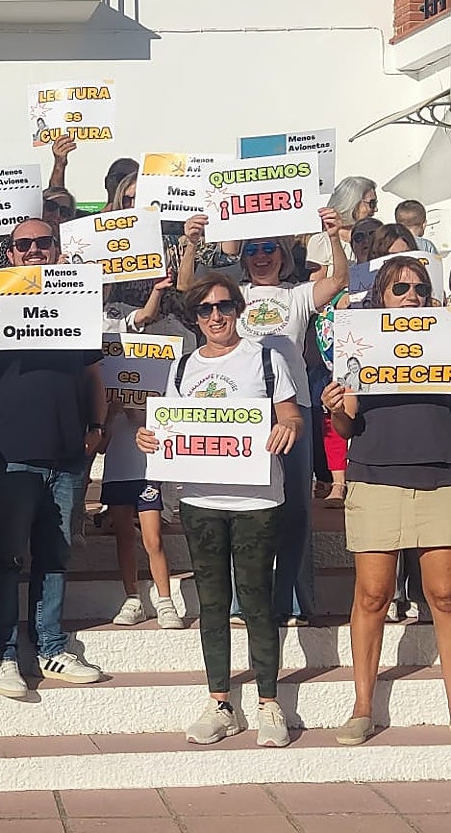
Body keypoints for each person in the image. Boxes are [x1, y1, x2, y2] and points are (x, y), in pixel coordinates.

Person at [136, 274, 304, 748]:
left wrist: (289, 428)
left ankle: (269, 702)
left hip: (257, 500)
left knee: (256, 599)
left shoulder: (266, 359)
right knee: (211, 603)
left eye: (224, 307)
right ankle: (220, 703)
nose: (216, 317)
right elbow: (167, 426)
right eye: (206, 309)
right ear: (195, 317)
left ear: (239, 309)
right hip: (200, 500)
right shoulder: (182, 366)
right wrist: (148, 438)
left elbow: (291, 415)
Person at [178, 207, 348, 626]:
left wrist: (334, 236)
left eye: (269, 248)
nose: (260, 256)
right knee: (241, 508)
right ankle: (242, 602)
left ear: (283, 254)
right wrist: (192, 243)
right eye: (252, 250)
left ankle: (292, 602)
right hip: (238, 412)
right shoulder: (231, 295)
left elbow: (339, 281)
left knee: (295, 508)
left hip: (293, 409)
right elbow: (186, 289)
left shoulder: (297, 295)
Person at [0, 218, 107, 698]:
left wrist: (97, 427)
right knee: (5, 556)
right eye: (23, 245)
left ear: (57, 250)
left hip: (67, 454)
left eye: (44, 242)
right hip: (11, 455)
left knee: (54, 553)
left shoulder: (78, 300)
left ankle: (50, 646)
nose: (34, 250)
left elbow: (93, 376)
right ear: (10, 254)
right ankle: (1, 654)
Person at [323, 256, 451, 745]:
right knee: (373, 594)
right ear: (381, 295)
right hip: (375, 475)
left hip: (441, 476)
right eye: (400, 288)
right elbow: (346, 426)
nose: (411, 296)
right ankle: (363, 707)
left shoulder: (445, 339)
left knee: (444, 594)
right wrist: (336, 408)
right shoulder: (361, 340)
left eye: (419, 288)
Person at [99, 276, 186, 628]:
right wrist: (111, 413)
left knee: (152, 538)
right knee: (123, 534)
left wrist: (140, 413)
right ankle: (132, 597)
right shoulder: (106, 390)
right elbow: (101, 445)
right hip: (117, 468)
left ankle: (165, 601)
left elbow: (166, 426)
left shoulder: (157, 382)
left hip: (146, 468)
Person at [306, 177, 375, 276]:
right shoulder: (323, 241)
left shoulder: (375, 237)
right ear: (353, 203)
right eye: (372, 203)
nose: (375, 209)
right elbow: (317, 282)